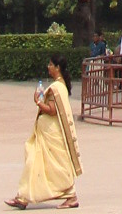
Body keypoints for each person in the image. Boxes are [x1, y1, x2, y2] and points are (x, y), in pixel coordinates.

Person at [8, 53, 82, 208]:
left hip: (51, 133)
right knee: (35, 162)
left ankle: (70, 195)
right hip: (47, 132)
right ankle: (23, 197)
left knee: (52, 166)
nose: (48, 67)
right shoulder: (59, 85)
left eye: (50, 64)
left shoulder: (56, 87)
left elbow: (52, 110)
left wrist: (37, 102)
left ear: (57, 68)